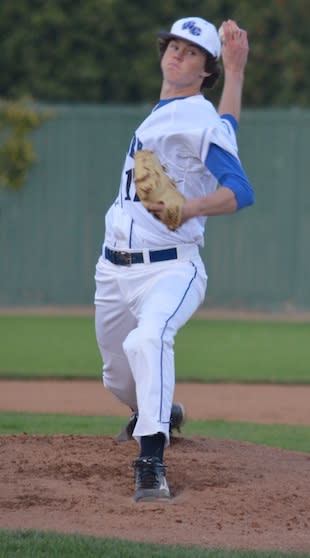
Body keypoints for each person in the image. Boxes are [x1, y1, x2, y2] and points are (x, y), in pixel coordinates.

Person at [94, 16, 255, 502]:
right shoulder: (177, 114)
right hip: (113, 269)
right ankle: (163, 410)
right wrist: (237, 71)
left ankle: (151, 463)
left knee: (150, 339)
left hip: (169, 267)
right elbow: (228, 126)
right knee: (118, 377)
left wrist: (190, 207)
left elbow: (240, 191)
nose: (177, 54)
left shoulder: (195, 118)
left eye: (191, 52)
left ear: (206, 71)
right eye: (173, 46)